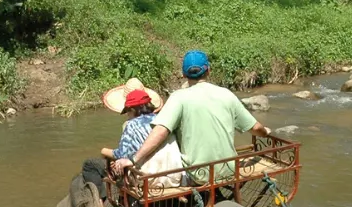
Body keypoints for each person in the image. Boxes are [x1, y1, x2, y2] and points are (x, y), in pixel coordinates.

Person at [112, 50, 271, 185]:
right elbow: (256, 128)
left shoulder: (178, 98)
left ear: (183, 74)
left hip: (198, 175)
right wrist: (266, 132)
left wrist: (133, 159)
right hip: (229, 170)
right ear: (208, 70)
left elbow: (160, 131)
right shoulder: (227, 94)